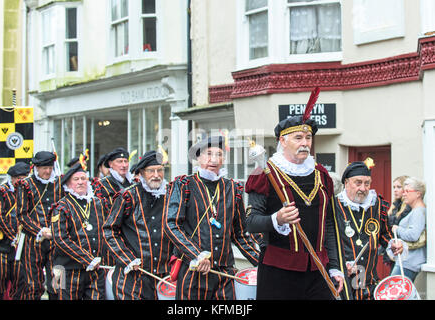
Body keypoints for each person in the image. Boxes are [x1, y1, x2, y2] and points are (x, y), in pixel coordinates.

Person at [245, 111, 344, 300]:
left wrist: (335, 267)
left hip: (319, 270)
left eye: (308, 137)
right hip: (279, 272)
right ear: (282, 141)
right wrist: (277, 219)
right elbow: (250, 222)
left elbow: (330, 225)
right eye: (298, 137)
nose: (305, 143)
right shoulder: (264, 174)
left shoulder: (322, 175)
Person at [165, 136, 259, 300]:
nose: (214, 159)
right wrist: (197, 254)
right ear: (198, 157)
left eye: (219, 154)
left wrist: (262, 262)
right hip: (193, 273)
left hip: (224, 275)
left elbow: (240, 234)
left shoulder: (232, 188)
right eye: (209, 154)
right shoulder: (184, 185)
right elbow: (171, 225)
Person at [104, 151, 173, 300]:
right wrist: (127, 258)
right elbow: (109, 231)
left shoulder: (172, 196)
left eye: (160, 170)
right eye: (151, 171)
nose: (156, 175)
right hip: (132, 279)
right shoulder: (127, 196)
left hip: (163, 277)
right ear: (141, 173)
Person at [332, 159, 404, 300]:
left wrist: (393, 244)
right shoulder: (333, 206)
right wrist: (337, 265)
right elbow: (326, 243)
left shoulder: (377, 205)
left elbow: (385, 233)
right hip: (341, 284)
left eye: (367, 183)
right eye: (358, 183)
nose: (363, 188)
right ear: (346, 183)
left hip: (369, 283)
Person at [50, 161, 107, 300]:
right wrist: (86, 258)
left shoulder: (98, 203)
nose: (81, 182)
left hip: (95, 269)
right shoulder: (61, 207)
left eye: (84, 179)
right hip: (66, 269)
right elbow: (60, 239)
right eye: (76, 179)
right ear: (68, 184)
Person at [15, 151, 64, 300]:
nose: (47, 171)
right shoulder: (25, 185)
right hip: (32, 242)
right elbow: (22, 215)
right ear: (36, 167)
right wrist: (40, 230)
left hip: (57, 242)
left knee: (58, 284)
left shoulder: (60, 183)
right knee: (33, 285)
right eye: (44, 168)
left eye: (50, 167)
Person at [0, 162, 30, 300]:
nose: (21, 181)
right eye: (18, 178)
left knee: (19, 277)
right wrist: (13, 236)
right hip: (2, 241)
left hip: (22, 241)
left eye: (24, 178)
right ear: (11, 178)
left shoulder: (29, 192)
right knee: (0, 276)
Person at [389, 177, 426, 282]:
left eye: (407, 191)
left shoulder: (419, 212)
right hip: (406, 261)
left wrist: (397, 229)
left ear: (418, 193)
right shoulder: (416, 211)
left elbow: (413, 235)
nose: (403, 194)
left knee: (393, 293)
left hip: (409, 263)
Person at [383, 176, 412, 271]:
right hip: (392, 248)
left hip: (402, 250)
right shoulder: (395, 206)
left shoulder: (407, 208)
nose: (395, 190)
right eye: (394, 187)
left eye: (399, 187)